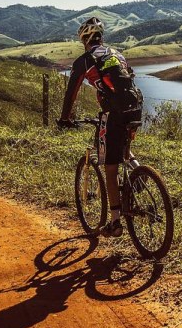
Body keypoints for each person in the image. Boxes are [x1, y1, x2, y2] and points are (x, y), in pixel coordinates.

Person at [58, 17, 143, 237]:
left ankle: (115, 223)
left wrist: (65, 118)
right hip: (135, 107)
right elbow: (129, 78)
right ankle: (140, 173)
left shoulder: (84, 61)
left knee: (110, 167)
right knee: (124, 151)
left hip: (113, 113)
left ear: (84, 39)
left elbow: (71, 93)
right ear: (101, 38)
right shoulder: (116, 54)